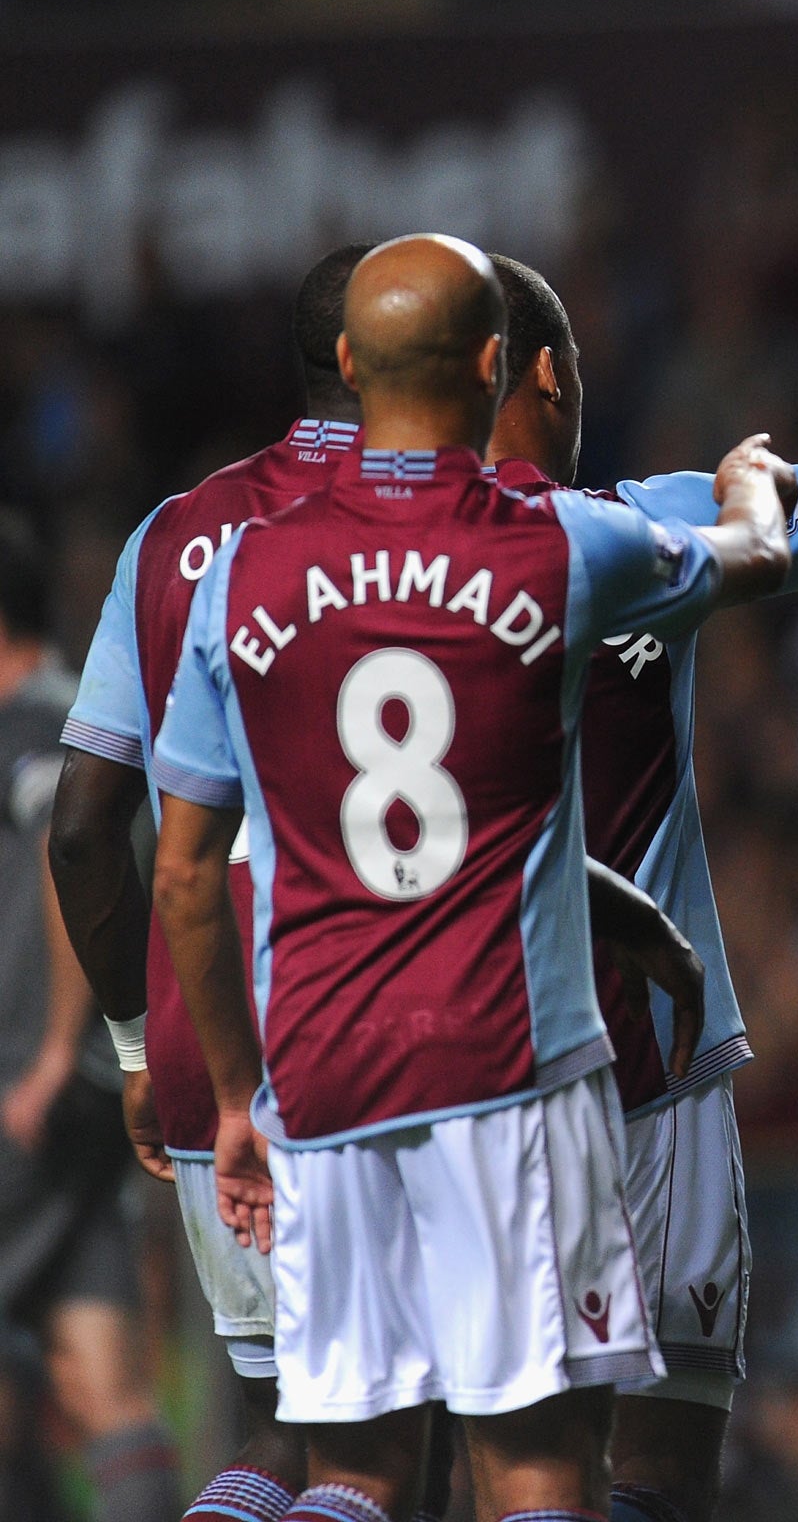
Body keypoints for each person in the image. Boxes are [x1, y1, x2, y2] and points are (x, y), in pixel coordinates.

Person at [148, 233, 786, 1522]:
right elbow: (755, 559)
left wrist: (231, 1101)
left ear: (343, 363)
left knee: (352, 1472)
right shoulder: (557, 548)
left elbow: (182, 879)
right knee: (536, 1466)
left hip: (321, 1078)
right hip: (513, 1070)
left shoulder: (241, 574)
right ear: (499, 367)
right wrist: (747, 483)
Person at [476, 145, 798, 1522]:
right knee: (658, 1474)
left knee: (481, 1465)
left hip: (463, 1077)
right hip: (651, 1072)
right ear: (551, 378)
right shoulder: (643, 529)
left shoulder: (343, 578)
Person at [51, 242, 372, 1521]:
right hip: (386, 990)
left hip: (202, 1008)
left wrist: (138, 1042)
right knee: (417, 1438)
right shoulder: (471, 513)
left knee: (271, 1426)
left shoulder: (173, 533)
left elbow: (84, 831)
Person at [0, 516, 181, 1522]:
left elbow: (65, 843)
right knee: (101, 1383)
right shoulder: (87, 714)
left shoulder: (29, 729)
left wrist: (54, 1052)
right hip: (92, 1103)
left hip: (29, 1095)